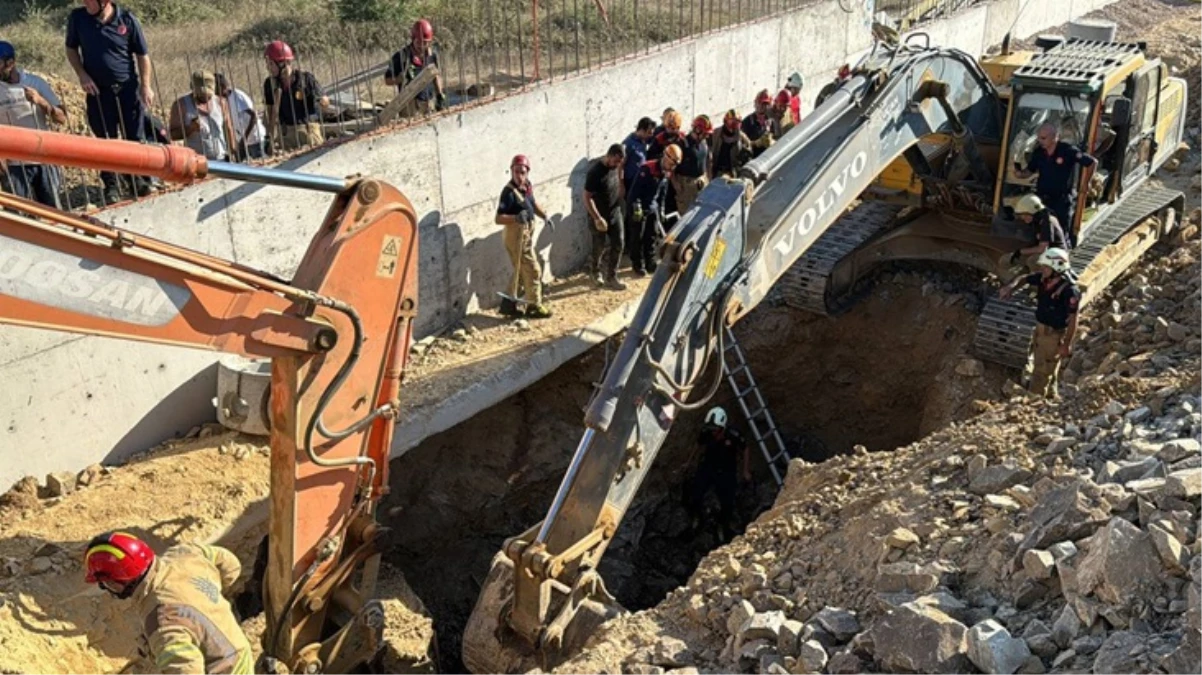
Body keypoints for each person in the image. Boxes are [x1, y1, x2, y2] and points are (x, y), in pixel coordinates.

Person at [83, 532, 253, 674]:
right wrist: (209, 592)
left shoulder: (163, 619)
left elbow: (184, 669)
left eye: (105, 583)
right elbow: (231, 565)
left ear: (118, 582)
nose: (104, 588)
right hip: (237, 648)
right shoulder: (186, 553)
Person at [65, 0, 155, 204]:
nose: (84, 3)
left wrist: (145, 85)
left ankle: (137, 179)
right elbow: (71, 49)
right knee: (105, 140)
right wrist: (82, 75)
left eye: (88, 0)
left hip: (127, 89)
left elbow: (142, 55)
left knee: (134, 136)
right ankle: (111, 185)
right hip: (99, 92)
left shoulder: (127, 19)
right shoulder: (78, 19)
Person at [998, 247, 1081, 400]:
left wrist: (1066, 344)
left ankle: (1034, 400)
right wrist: (1011, 286)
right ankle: (1050, 396)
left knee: (1042, 370)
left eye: (1045, 266)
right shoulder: (1044, 280)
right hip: (1041, 329)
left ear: (1057, 268)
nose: (1042, 269)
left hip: (1053, 333)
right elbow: (1024, 278)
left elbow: (1074, 319)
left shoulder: (1069, 291)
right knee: (1046, 365)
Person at [0, 40, 67, 208]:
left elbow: (61, 118)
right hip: (13, 166)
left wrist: (41, 102)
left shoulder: (35, 83)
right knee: (18, 215)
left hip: (42, 160)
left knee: (53, 212)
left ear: (10, 63)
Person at [1013, 122, 1097, 248]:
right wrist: (1020, 174)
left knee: (1061, 232)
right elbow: (1029, 171)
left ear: (1055, 137)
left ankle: (1062, 258)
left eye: (1044, 138)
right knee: (1042, 230)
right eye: (1039, 137)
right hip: (1043, 199)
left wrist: (1086, 183)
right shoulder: (1039, 153)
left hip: (1061, 199)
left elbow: (1092, 162)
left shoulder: (1067, 151)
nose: (1040, 141)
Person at [495, 154, 552, 319]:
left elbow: (532, 204)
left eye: (523, 172)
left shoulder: (527, 186)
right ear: (511, 171)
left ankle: (508, 305)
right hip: (516, 237)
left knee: (521, 270)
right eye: (516, 172)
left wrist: (544, 216)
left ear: (527, 172)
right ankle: (534, 305)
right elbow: (498, 218)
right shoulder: (508, 193)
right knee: (533, 270)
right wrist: (515, 218)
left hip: (526, 235)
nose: (520, 176)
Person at [685, 407, 750, 539]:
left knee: (728, 502)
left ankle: (722, 526)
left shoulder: (733, 434)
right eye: (711, 429)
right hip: (708, 467)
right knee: (695, 495)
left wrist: (745, 470)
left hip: (727, 471)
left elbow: (745, 448)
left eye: (716, 429)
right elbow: (698, 446)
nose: (713, 432)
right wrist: (689, 462)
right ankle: (697, 520)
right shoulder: (706, 433)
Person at [262, 40, 332, 154]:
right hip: (285, 135)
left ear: (282, 63)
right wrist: (268, 138)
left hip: (307, 133)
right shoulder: (270, 84)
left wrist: (322, 102)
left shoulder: (305, 79)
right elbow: (269, 114)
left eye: (271, 64)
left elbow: (324, 101)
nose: (268, 67)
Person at [626, 144, 681, 276]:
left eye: (674, 165)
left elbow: (662, 193)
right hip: (639, 208)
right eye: (671, 163)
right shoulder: (647, 169)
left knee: (651, 237)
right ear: (665, 157)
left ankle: (650, 262)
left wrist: (661, 209)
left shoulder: (667, 173)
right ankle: (637, 264)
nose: (672, 167)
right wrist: (636, 207)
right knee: (637, 237)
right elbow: (634, 192)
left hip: (653, 208)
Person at [584, 144, 627, 291]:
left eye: (619, 162)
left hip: (615, 212)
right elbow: (587, 197)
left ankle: (611, 277)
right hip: (599, 215)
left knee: (619, 243)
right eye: (615, 161)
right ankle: (595, 272)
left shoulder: (617, 166)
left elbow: (620, 176)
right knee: (599, 246)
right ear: (609, 155)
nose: (616, 165)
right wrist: (597, 218)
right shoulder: (595, 172)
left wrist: (621, 189)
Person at [384, 19, 447, 117]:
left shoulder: (431, 56)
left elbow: (436, 76)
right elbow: (387, 80)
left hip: (428, 103)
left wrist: (440, 95)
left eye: (425, 43)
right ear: (413, 39)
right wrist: (399, 79)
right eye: (419, 42)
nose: (422, 46)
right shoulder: (401, 56)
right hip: (409, 105)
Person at [168, 71, 232, 161]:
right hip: (196, 161)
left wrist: (234, 152)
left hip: (221, 160)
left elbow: (228, 129)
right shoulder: (181, 105)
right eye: (201, 94)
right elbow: (172, 135)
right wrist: (191, 128)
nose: (205, 97)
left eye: (208, 95)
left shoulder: (220, 103)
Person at [1006, 194, 1069, 275]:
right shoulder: (1037, 221)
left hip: (1058, 258)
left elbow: (1042, 249)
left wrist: (1019, 252)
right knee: (1016, 259)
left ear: (1033, 212)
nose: (1023, 218)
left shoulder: (1047, 221)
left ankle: (1040, 282)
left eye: (1025, 215)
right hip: (1049, 253)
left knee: (1033, 261)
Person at [216, 73, 266, 161]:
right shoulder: (222, 101)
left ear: (222, 87)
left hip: (254, 139)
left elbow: (254, 116)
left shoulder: (238, 96)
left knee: (259, 164)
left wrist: (245, 138)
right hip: (241, 140)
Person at [671, 115, 710, 213]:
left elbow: (708, 160)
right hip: (686, 185)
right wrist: (676, 184)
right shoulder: (682, 144)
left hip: (702, 182)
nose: (707, 136)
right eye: (705, 133)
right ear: (697, 130)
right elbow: (670, 167)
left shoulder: (703, 142)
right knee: (687, 214)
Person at [709, 109, 752, 179]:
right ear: (725, 121)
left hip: (733, 174)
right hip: (717, 172)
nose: (734, 124)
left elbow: (749, 151)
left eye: (737, 122)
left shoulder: (742, 137)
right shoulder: (716, 134)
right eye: (731, 121)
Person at [742, 90, 780, 159]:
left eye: (766, 104)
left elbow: (778, 139)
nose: (763, 106)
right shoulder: (747, 122)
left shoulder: (772, 121)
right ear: (755, 103)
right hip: (752, 161)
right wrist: (756, 143)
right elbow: (741, 147)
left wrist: (772, 142)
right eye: (761, 103)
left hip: (767, 160)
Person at [622, 116, 656, 192]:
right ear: (641, 130)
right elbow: (621, 166)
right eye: (649, 133)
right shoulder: (629, 144)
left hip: (641, 179)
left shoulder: (644, 140)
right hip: (630, 182)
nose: (650, 135)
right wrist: (621, 185)